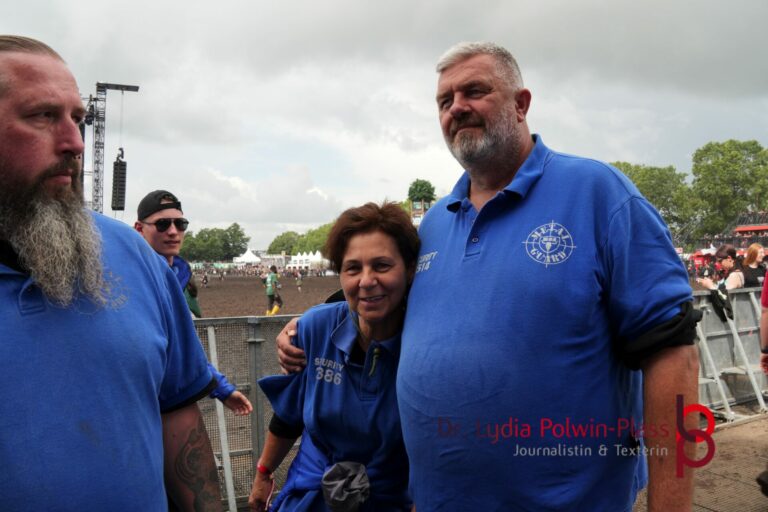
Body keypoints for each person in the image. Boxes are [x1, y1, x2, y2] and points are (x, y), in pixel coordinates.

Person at [278, 42, 700, 511]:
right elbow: (392, 297)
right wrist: (310, 325)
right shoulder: (436, 222)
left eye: (475, 91)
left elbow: (673, 354)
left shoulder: (599, 194)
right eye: (444, 101)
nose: (457, 107)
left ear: (521, 105)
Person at [0, 35, 223, 510]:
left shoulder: (134, 257)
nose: (75, 142)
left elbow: (177, 415)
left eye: (78, 119)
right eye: (43, 116)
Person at [248, 202, 418, 512]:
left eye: (381, 265)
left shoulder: (427, 342)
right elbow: (290, 413)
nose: (366, 281)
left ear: (408, 269)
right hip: (311, 497)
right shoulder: (314, 328)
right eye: (353, 268)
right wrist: (263, 473)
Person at [135, 189, 253, 416]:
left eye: (180, 224)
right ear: (139, 229)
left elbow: (185, 345)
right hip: (144, 402)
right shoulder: (135, 278)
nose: (173, 231)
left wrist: (222, 389)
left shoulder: (180, 276)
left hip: (175, 400)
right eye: (162, 224)